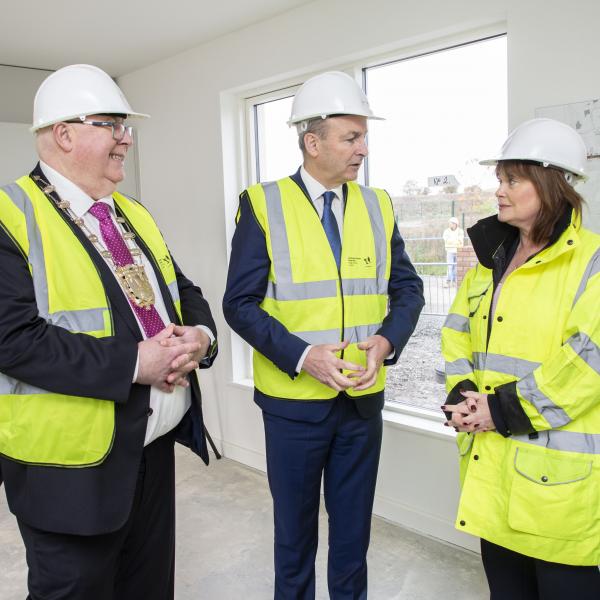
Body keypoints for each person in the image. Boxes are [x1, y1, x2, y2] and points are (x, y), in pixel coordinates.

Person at [0, 64, 218, 600]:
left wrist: (200, 336)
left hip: (149, 450)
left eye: (126, 127)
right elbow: (12, 338)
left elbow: (182, 288)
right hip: (69, 470)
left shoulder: (132, 214)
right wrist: (133, 364)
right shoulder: (9, 216)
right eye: (111, 125)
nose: (125, 139)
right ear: (64, 134)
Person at [223, 71, 424, 599]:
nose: (363, 148)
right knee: (294, 538)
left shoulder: (378, 205)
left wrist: (386, 343)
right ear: (313, 143)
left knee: (354, 535)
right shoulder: (263, 204)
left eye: (363, 136)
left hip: (361, 403)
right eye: (351, 137)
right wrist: (303, 355)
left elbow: (408, 289)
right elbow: (238, 304)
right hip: (294, 408)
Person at [441, 118, 600, 599]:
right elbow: (456, 331)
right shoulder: (492, 260)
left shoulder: (591, 263)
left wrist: (501, 410)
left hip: (558, 491)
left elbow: (588, 363)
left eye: (512, 180)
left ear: (553, 185)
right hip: (494, 475)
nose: (499, 191)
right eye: (499, 180)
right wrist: (463, 394)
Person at [442, 216, 464, 286]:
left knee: (456, 267)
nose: (450, 224)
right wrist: (455, 240)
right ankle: (448, 281)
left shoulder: (460, 231)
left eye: (451, 223)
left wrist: (452, 240)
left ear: (455, 224)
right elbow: (446, 240)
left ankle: (454, 281)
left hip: (458, 251)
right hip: (450, 251)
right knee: (450, 266)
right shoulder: (446, 231)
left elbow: (460, 240)